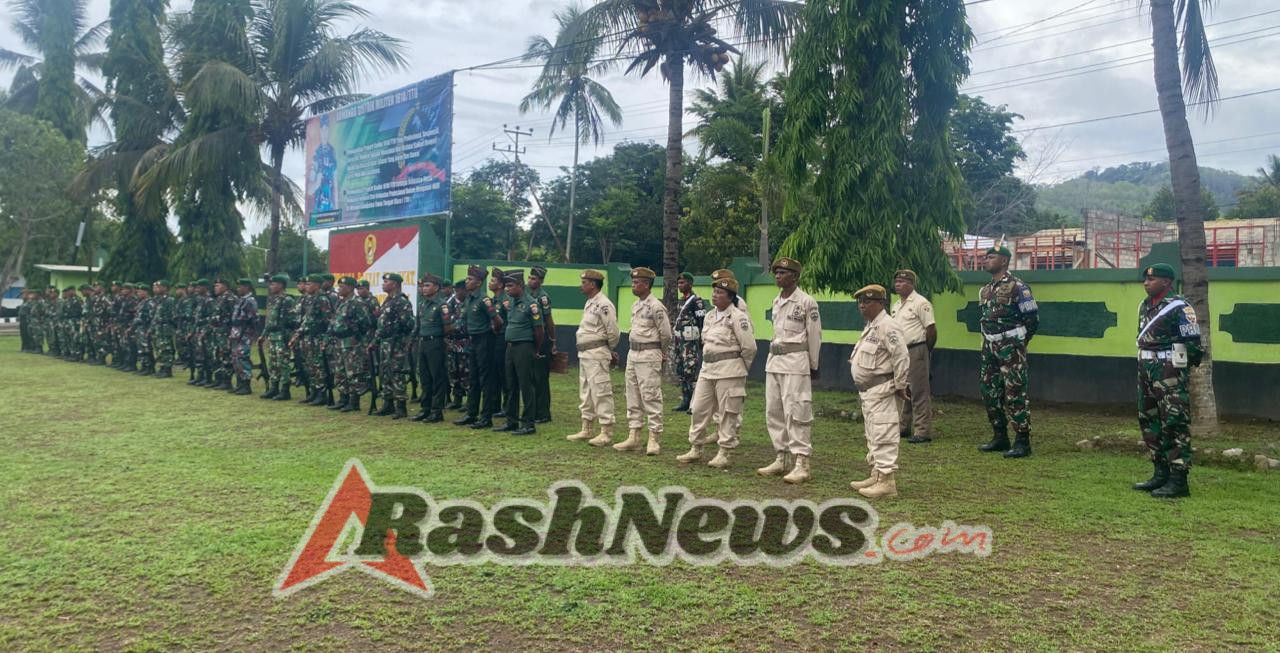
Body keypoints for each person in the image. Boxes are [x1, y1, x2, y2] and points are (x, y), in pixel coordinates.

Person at [1133, 263, 1202, 499]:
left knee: (1174, 421)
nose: (1146, 283)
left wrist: (1177, 369)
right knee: (1148, 419)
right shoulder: (1145, 306)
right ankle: (1160, 473)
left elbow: (1192, 343)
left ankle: (1179, 479)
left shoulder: (1180, 307)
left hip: (1169, 370)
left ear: (1166, 282)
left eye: (1152, 279)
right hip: (1146, 368)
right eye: (1145, 279)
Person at [677, 275, 756, 469]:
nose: (714, 295)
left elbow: (749, 348)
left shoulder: (738, 317)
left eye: (719, 292)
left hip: (729, 369)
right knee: (698, 407)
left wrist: (740, 368)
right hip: (708, 369)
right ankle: (696, 447)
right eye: (714, 291)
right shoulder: (711, 316)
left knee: (728, 412)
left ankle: (724, 451)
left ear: (730, 297)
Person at [758, 257, 822, 484]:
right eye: (777, 272)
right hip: (775, 361)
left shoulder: (806, 302)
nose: (778, 276)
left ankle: (802, 462)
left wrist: (814, 364)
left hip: (796, 362)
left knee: (797, 411)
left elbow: (814, 335)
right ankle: (781, 456)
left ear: (794, 276)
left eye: (784, 273)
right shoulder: (776, 301)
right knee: (773, 411)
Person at [848, 285, 911, 499]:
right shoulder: (872, 326)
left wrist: (901, 384)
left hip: (883, 389)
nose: (862, 305)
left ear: (880, 303)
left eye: (867, 302)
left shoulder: (887, 326)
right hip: (870, 392)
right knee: (874, 433)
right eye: (860, 302)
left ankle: (887, 481)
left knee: (884, 433)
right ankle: (876, 474)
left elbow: (901, 356)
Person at [977, 245, 1039, 458]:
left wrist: (1019, 342)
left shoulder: (1018, 287)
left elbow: (1032, 319)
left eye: (991, 257)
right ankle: (1000, 436)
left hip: (1011, 345)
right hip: (989, 345)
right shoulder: (986, 290)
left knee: (1015, 393)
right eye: (985, 257)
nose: (986, 260)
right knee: (989, 391)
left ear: (1004, 261)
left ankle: (1022, 441)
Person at [610, 267, 672, 454]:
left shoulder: (656, 306)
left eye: (636, 282)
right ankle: (634, 435)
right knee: (632, 395)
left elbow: (666, 334)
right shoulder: (637, 305)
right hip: (633, 354)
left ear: (646, 284)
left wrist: (660, 352)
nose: (633, 285)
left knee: (651, 395)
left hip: (649, 354)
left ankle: (654, 437)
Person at [566, 269, 620, 444]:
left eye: (584, 283)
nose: (581, 286)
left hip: (597, 353)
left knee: (601, 391)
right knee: (586, 391)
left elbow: (613, 331)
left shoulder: (604, 304)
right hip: (585, 353)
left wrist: (608, 349)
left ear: (592, 284)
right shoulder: (590, 303)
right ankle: (586, 428)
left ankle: (606, 431)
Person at [890, 269, 937, 444]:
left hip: (917, 348)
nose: (898, 285)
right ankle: (903, 427)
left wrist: (926, 351)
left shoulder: (920, 303)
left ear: (911, 284)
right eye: (896, 282)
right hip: (900, 351)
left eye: (902, 282)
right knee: (903, 389)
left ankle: (923, 431)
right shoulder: (896, 306)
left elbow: (931, 330)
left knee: (919, 391)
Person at [495, 270, 544, 435]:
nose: (507, 289)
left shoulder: (532, 304)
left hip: (524, 347)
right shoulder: (512, 303)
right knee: (511, 385)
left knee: (525, 385)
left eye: (510, 286)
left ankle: (528, 423)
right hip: (510, 347)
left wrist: (536, 349)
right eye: (506, 286)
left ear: (520, 285)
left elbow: (539, 330)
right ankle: (512, 421)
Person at [455, 266, 503, 429]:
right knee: (473, 378)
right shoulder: (468, 299)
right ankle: (471, 413)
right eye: (467, 279)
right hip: (472, 341)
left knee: (485, 379)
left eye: (470, 279)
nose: (467, 282)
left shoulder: (484, 300)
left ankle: (486, 416)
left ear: (479, 282)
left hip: (484, 340)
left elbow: (498, 321)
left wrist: (491, 334)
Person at [371, 272, 415, 419]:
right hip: (385, 343)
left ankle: (401, 407)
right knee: (385, 373)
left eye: (386, 282)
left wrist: (397, 329)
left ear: (395, 284)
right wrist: (375, 341)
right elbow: (381, 325)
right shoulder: (388, 301)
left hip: (397, 344)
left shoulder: (401, 301)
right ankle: (387, 403)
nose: (383, 284)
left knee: (397, 373)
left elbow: (409, 324)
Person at [331, 276, 375, 412]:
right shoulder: (341, 302)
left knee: (353, 373)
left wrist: (357, 334)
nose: (339, 289)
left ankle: (354, 401)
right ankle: (343, 398)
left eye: (342, 287)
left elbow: (366, 323)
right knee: (340, 372)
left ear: (350, 288)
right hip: (340, 342)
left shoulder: (357, 303)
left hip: (352, 343)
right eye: (339, 287)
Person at [412, 275, 449, 423]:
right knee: (425, 378)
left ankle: (436, 411)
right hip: (423, 342)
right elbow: (418, 325)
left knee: (437, 377)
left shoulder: (442, 305)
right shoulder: (422, 304)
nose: (424, 288)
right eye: (423, 286)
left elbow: (448, 327)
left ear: (436, 288)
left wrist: (439, 340)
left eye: (427, 285)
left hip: (436, 343)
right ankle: (425, 408)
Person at [671, 272, 707, 413]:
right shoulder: (681, 300)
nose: (680, 285)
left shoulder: (696, 301)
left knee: (690, 370)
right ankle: (685, 400)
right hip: (681, 341)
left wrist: (701, 340)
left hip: (691, 342)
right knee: (682, 371)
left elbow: (701, 322)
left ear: (690, 284)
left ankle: (694, 403)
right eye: (679, 283)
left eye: (683, 283)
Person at [260, 274, 298, 401]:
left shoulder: (287, 300)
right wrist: (264, 335)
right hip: (273, 335)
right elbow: (270, 320)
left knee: (283, 363)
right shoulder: (275, 299)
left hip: (282, 336)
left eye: (273, 284)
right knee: (273, 362)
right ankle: (274, 387)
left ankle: (285, 390)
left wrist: (289, 335)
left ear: (281, 285)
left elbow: (293, 320)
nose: (271, 286)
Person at [526, 266, 556, 424]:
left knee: (540, 378)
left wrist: (552, 341)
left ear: (541, 281)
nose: (531, 281)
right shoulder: (526, 295)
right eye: (530, 278)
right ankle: (534, 410)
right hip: (529, 338)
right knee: (531, 377)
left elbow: (549, 321)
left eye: (534, 279)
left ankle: (543, 413)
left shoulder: (543, 297)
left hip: (542, 339)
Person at [228, 279, 259, 395]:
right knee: (235, 358)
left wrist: (250, 334)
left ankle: (246, 385)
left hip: (245, 333)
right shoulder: (241, 300)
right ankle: (239, 383)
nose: (238, 289)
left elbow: (253, 320)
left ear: (247, 287)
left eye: (240, 287)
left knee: (242, 358)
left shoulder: (250, 301)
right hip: (236, 332)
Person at [444, 279, 471, 410]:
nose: (456, 293)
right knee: (453, 371)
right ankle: (457, 399)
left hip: (465, 341)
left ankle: (470, 400)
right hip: (452, 342)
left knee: (465, 372)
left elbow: (463, 322)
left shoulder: (469, 303)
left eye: (459, 290)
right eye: (455, 290)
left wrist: (450, 328)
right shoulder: (451, 303)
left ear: (465, 290)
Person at [209, 278, 237, 391]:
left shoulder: (231, 298)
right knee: (217, 355)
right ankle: (218, 379)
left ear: (225, 286)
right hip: (218, 332)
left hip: (226, 332)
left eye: (218, 285)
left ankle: (227, 381)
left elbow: (234, 317)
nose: (215, 288)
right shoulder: (219, 299)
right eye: (215, 285)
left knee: (226, 356)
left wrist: (231, 332)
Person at [150, 280, 177, 378]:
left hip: (166, 328)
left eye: (159, 287)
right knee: (159, 349)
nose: (156, 289)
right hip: (158, 328)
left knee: (166, 349)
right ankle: (162, 367)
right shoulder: (156, 300)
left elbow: (173, 316)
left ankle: (167, 369)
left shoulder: (169, 300)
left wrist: (164, 320)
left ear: (165, 288)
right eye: (155, 287)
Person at [188, 281, 213, 385]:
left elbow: (212, 319)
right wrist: (192, 331)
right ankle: (200, 376)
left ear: (205, 287)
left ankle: (208, 378)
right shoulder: (200, 301)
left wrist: (205, 331)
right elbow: (196, 319)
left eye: (199, 287)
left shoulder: (210, 301)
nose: (196, 289)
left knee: (207, 355)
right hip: (198, 331)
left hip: (205, 333)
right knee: (199, 354)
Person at [130, 284, 155, 375]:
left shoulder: (150, 302)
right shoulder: (141, 302)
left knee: (146, 348)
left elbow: (151, 317)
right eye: (138, 292)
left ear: (146, 292)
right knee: (141, 348)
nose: (138, 293)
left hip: (145, 328)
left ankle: (149, 367)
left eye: (140, 292)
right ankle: (144, 366)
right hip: (139, 328)